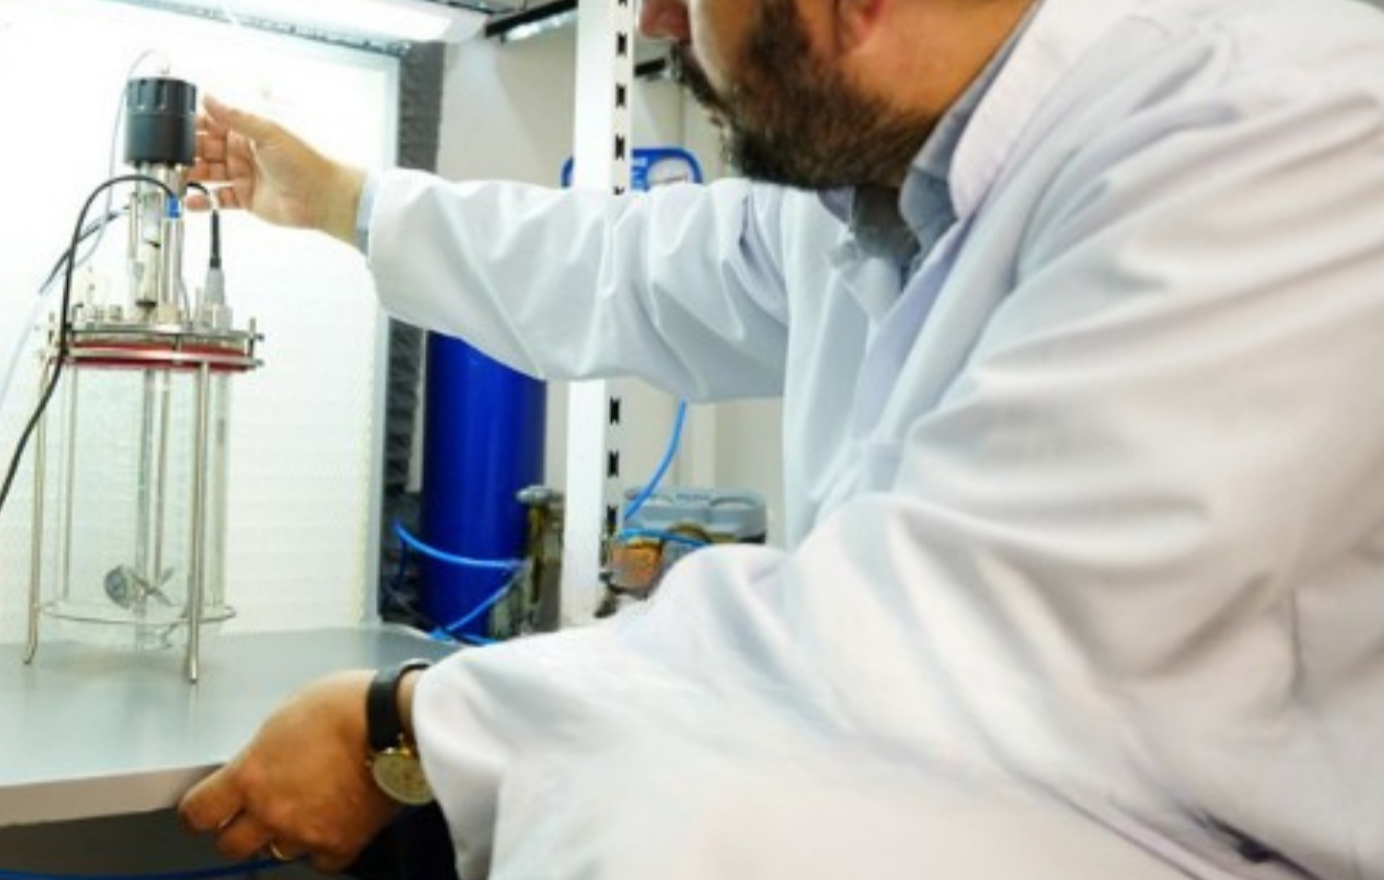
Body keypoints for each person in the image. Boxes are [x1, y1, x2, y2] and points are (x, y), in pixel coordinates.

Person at [177, 0, 1384, 876]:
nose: (656, 21)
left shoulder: (1271, 123)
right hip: (996, 797)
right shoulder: (885, 184)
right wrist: (340, 199)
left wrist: (405, 725)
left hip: (1173, 836)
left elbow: (939, 637)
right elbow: (622, 267)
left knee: (662, 814)